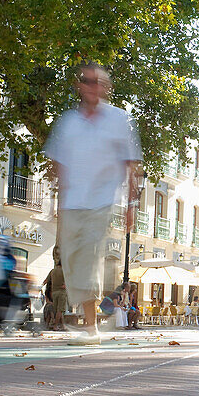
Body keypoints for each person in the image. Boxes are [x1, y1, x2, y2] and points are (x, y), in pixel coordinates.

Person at [44, 64, 143, 345]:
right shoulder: (68, 121)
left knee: (88, 258)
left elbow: (131, 165)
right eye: (86, 81)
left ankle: (90, 327)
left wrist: (131, 205)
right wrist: (58, 202)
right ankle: (90, 320)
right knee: (72, 260)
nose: (92, 86)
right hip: (72, 201)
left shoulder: (119, 119)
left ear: (106, 87)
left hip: (101, 200)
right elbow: (58, 163)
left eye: (97, 82)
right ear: (80, 86)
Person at [44, 248, 67, 330]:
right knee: (60, 310)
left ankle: (62, 325)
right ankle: (55, 326)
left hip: (54, 292)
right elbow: (68, 282)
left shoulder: (52, 271)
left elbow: (46, 281)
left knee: (57, 310)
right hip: (62, 292)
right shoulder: (64, 271)